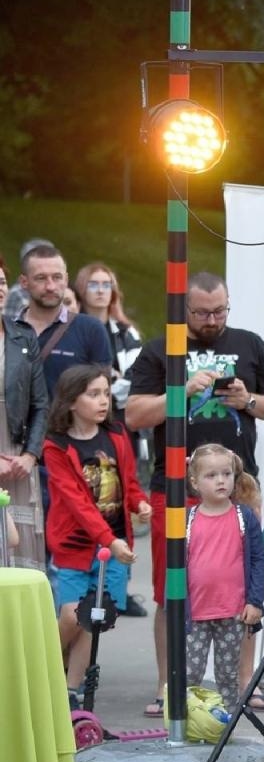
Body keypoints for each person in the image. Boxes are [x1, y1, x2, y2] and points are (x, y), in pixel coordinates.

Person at [126, 272, 264, 718]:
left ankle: (243, 683)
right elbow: (134, 415)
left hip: (239, 486)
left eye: (220, 311)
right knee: (170, 588)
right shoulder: (160, 349)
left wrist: (248, 401)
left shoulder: (250, 344)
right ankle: (167, 685)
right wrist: (181, 392)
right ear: (183, 309)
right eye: (202, 313)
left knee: (244, 587)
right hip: (175, 488)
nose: (212, 320)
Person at [43, 366, 151, 700]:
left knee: (94, 616)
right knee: (71, 615)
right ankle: (45, 665)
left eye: (106, 393)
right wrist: (110, 541)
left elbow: (128, 481)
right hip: (76, 545)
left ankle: (70, 690)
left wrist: (139, 503)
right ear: (71, 401)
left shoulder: (116, 434)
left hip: (114, 543)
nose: (103, 401)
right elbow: (77, 503)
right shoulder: (56, 446)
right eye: (93, 394)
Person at [182, 444, 264, 710]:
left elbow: (258, 560)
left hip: (233, 612)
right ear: (195, 482)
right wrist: (176, 606)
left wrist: (255, 601)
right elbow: (175, 567)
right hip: (195, 613)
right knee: (190, 673)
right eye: (211, 475)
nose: (221, 480)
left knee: (228, 675)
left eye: (226, 474)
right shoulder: (186, 519)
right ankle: (186, 722)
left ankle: (228, 724)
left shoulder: (244, 517)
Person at [0, 259, 48, 573]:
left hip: (17, 455)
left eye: (1, 282)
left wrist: (30, 455)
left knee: (21, 548)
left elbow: (40, 403)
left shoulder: (22, 335)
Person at [14, 244, 113, 396]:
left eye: (57, 277)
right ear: (24, 282)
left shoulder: (91, 330)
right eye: (41, 278)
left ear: (66, 280)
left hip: (66, 413)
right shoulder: (7, 329)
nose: (50, 286)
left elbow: (102, 397)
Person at [72, 263, 142, 415]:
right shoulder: (70, 330)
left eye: (106, 285)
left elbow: (137, 376)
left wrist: (104, 396)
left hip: (118, 413)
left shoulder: (126, 332)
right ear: (82, 290)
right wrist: (111, 377)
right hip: (76, 413)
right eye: (93, 285)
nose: (100, 291)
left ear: (113, 292)